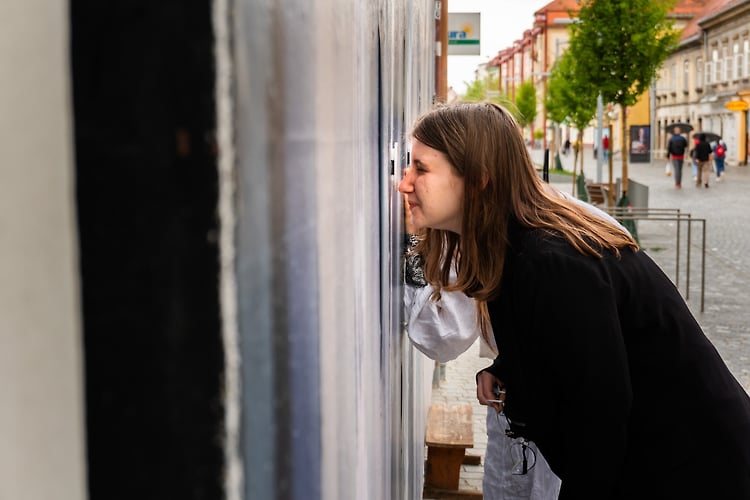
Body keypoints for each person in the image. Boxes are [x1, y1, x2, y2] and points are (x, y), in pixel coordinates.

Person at [398, 102, 750, 499]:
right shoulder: (512, 249)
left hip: (695, 468)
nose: (403, 183)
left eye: (421, 169)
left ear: (479, 179)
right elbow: (569, 348)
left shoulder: (552, 262)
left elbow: (599, 422)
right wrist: (510, 368)